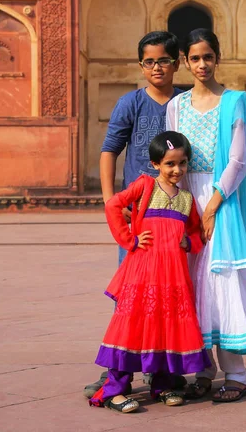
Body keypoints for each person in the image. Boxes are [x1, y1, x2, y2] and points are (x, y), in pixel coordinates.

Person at [166, 28, 246, 404]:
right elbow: (171, 157)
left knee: (221, 281)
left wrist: (212, 206)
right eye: (195, 58)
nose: (202, 64)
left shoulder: (234, 101)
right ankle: (202, 370)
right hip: (185, 198)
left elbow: (239, 160)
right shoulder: (176, 106)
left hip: (218, 200)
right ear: (186, 63)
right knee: (190, 284)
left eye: (208, 56)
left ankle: (237, 374)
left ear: (217, 58)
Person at [84, 31, 183, 398]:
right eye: (149, 61)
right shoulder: (131, 103)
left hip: (173, 218)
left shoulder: (185, 103)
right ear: (141, 65)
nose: (157, 67)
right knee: (133, 295)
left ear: (176, 62)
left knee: (169, 295)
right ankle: (118, 370)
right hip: (139, 219)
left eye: (164, 60)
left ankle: (164, 370)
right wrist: (114, 203)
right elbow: (110, 150)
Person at [89, 131, 210, 413]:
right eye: (169, 164)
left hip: (173, 277)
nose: (177, 170)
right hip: (142, 271)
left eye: (182, 163)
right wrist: (129, 240)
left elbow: (196, 233)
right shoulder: (144, 186)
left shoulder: (187, 199)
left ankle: (162, 385)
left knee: (166, 327)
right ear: (156, 164)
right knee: (131, 326)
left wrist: (188, 242)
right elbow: (113, 205)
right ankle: (114, 390)